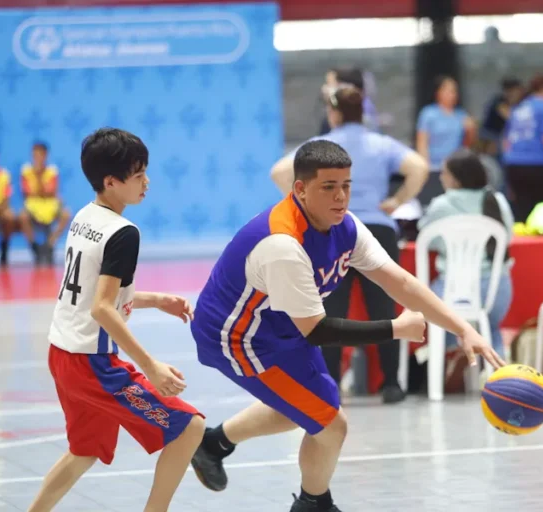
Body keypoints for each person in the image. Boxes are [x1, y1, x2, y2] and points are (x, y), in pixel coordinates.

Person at [189, 140, 504, 511]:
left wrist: (462, 329)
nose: (340, 197)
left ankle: (214, 444)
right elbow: (319, 331)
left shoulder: (346, 226)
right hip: (237, 336)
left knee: (309, 408)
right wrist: (395, 328)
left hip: (281, 322)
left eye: (346, 185)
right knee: (330, 424)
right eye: (328, 187)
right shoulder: (283, 244)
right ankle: (313, 504)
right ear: (300, 189)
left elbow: (400, 282)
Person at [28, 128, 205, 512]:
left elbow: (93, 296)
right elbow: (102, 309)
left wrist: (156, 300)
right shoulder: (124, 233)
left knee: (84, 450)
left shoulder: (83, 216)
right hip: (92, 364)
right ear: (111, 182)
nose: (147, 182)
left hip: (61, 353)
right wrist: (151, 365)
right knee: (190, 428)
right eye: (138, 175)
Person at [271, 85, 429, 404]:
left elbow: (279, 172)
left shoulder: (321, 147)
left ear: (334, 113)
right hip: (379, 229)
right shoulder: (381, 144)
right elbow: (419, 167)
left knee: (330, 311)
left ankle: (330, 385)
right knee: (384, 308)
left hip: (333, 231)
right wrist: (397, 200)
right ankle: (391, 384)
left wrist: (307, 206)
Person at [417, 149, 514, 391]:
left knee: (436, 311)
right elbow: (508, 236)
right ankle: (502, 379)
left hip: (452, 294)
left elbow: (428, 239)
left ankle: (450, 354)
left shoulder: (441, 204)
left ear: (456, 179)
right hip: (497, 292)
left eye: (444, 173)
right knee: (490, 326)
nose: (441, 178)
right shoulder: (498, 200)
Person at [502, 74, 543, 222]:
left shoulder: (518, 108)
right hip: (537, 165)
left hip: (514, 165)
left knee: (522, 212)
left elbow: (507, 142)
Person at [415, 76, 477, 205]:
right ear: (438, 92)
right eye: (448, 90)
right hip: (434, 168)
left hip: (455, 169)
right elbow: (422, 142)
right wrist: (424, 167)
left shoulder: (461, 115)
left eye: (454, 91)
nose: (452, 94)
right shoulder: (428, 113)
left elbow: (467, 146)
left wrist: (471, 131)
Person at [17, 142, 72, 265]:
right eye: (35, 155)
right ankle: (35, 247)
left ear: (45, 155)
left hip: (50, 205)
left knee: (66, 214)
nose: (37, 157)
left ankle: (49, 245)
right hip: (32, 205)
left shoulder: (52, 171)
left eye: (40, 154)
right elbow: (26, 192)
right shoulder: (26, 171)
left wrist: (39, 181)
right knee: (22, 216)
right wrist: (40, 188)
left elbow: (51, 191)